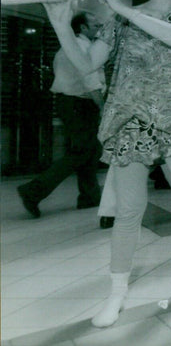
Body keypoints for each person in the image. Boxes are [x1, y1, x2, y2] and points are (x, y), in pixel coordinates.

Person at [42, 0, 171, 328]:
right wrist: (60, 24)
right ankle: (117, 293)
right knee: (129, 212)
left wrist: (119, 7)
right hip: (131, 120)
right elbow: (87, 66)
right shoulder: (119, 21)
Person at [17, 12, 105, 218]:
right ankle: (33, 191)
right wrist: (102, 106)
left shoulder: (69, 47)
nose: (99, 26)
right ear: (82, 28)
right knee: (81, 151)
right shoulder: (80, 48)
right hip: (80, 103)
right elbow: (90, 81)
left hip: (72, 103)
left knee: (89, 151)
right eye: (95, 23)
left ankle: (90, 197)